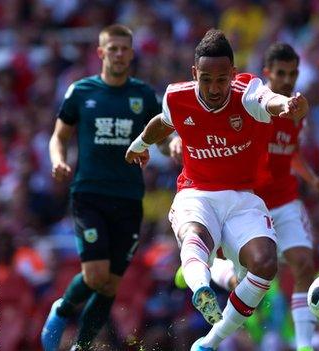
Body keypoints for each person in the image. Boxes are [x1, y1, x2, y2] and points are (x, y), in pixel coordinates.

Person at [124, 29, 308, 351]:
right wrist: (140, 144)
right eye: (206, 79)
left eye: (221, 80)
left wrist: (287, 106)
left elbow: (270, 100)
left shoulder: (248, 93)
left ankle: (209, 341)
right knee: (197, 235)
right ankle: (201, 287)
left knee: (265, 264)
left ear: (232, 74)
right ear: (195, 73)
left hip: (242, 198)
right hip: (197, 192)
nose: (213, 88)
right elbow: (162, 122)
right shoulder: (177, 97)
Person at [193, 43, 319, 351]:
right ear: (268, 73)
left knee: (303, 263)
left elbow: (291, 150)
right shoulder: (252, 106)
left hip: (285, 198)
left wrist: (313, 179)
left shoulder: (297, 109)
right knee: (242, 281)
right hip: (252, 201)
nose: (287, 79)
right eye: (280, 73)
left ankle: (304, 345)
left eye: (292, 73)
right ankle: (202, 270)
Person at [41, 24, 162, 351]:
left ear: (132, 53)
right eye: (113, 49)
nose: (119, 54)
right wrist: (58, 160)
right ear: (101, 53)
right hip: (89, 194)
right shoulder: (81, 92)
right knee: (95, 275)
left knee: (110, 285)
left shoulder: (143, 95)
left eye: (124, 49)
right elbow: (59, 136)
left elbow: (163, 134)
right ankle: (63, 309)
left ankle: (81, 346)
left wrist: (174, 145)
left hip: (128, 197)